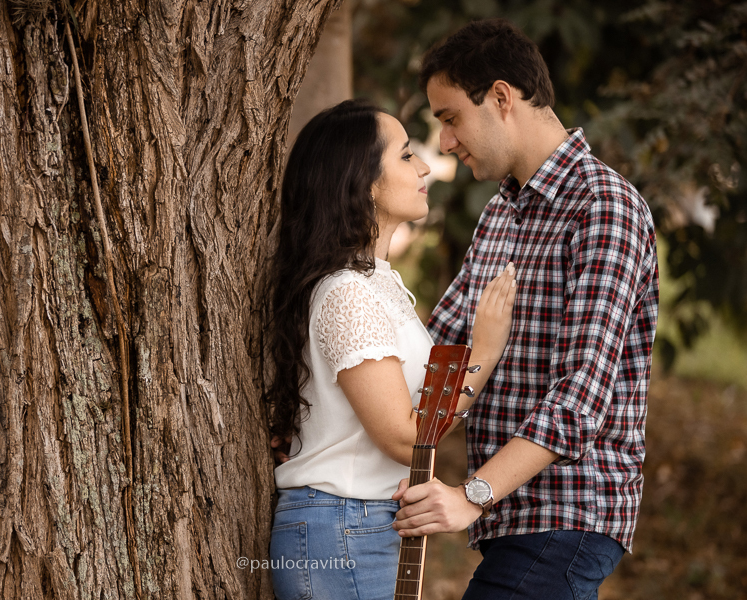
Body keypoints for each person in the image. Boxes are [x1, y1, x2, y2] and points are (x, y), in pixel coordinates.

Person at [391, 18, 660, 600]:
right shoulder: (500, 217)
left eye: (450, 118)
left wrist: (470, 496)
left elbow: (580, 399)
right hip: (515, 522)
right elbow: (434, 349)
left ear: (502, 97)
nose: (445, 143)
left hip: (568, 515)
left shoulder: (604, 207)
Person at [265, 99, 516, 600]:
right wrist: (483, 353)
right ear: (364, 183)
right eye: (405, 156)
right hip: (342, 526)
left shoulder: (375, 283)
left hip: (361, 522)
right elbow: (406, 438)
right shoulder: (346, 292)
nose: (424, 165)